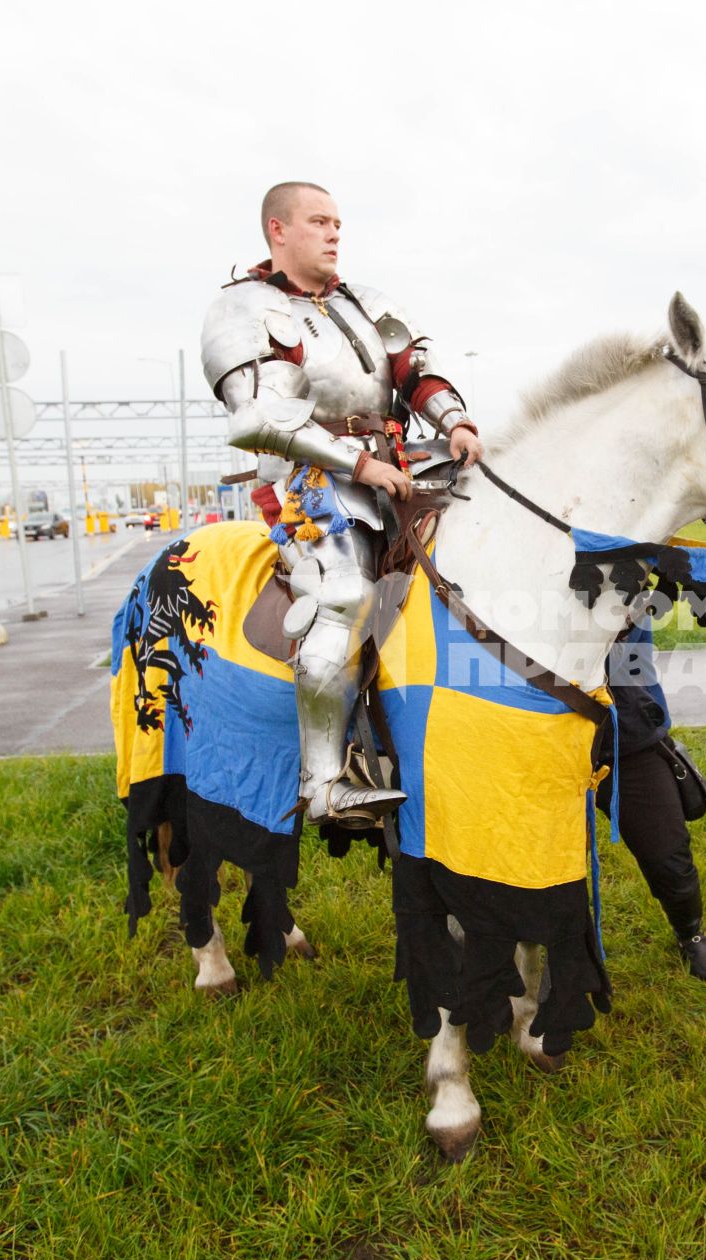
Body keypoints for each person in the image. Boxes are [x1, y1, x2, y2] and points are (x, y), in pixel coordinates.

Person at [201, 182, 484, 823]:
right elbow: (258, 419)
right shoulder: (243, 309)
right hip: (312, 482)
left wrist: (455, 420)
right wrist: (359, 463)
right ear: (278, 231)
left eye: (338, 223)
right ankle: (324, 783)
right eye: (319, 222)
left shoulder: (362, 303)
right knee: (348, 593)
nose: (334, 234)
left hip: (398, 465)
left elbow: (415, 371)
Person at [601, 623, 706, 983]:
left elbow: (634, 662)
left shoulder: (622, 579)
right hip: (540, 735)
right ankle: (562, 948)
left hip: (627, 733)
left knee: (667, 853)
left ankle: (690, 933)